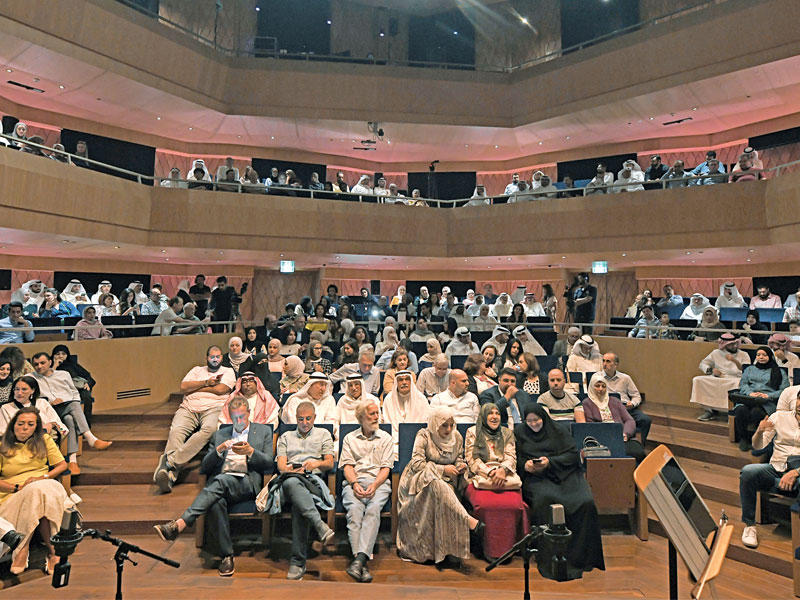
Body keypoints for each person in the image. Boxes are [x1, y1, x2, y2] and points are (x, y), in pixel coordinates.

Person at [154, 396, 273, 576]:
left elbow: (269, 462)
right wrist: (219, 450)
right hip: (221, 484)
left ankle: (181, 523)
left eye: (242, 417)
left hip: (247, 482)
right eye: (235, 418)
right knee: (216, 502)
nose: (239, 421)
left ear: (249, 413)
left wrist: (251, 452)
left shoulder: (263, 431)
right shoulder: (220, 435)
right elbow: (205, 467)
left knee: (220, 481)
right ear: (230, 416)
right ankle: (227, 556)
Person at [515, 404, 605, 579]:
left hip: (565, 474)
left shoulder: (558, 430)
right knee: (545, 501)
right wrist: (525, 465)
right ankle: (550, 558)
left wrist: (550, 462)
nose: (533, 424)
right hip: (537, 478)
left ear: (544, 418)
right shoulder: (519, 432)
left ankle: (582, 557)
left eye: (536, 420)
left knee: (585, 502)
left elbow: (571, 455)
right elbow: (515, 457)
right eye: (529, 421)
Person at [396, 406, 482, 565]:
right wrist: (442, 469)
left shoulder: (456, 437)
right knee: (436, 483)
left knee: (441, 486)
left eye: (451, 425)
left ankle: (447, 550)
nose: (448, 429)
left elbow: (459, 458)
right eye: (444, 425)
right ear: (435, 424)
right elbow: (417, 464)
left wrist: (461, 466)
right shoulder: (424, 435)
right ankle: (466, 520)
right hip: (418, 481)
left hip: (447, 480)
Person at [262, 401, 335, 579]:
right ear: (296, 418)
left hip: (312, 481)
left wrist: (315, 464)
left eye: (308, 419)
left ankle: (297, 563)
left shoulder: (324, 434)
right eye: (301, 419)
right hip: (288, 481)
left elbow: (329, 463)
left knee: (298, 501)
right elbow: (281, 466)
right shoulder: (286, 437)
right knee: (293, 483)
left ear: (314, 417)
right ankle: (319, 525)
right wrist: (290, 469)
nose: (304, 423)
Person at [0, 407, 73, 575]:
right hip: (13, 494)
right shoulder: (2, 444)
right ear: (13, 425)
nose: (24, 428)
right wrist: (18, 488)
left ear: (36, 427)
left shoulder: (44, 440)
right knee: (37, 493)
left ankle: (22, 549)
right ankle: (53, 552)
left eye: (30, 424)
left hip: (44, 485)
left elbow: (62, 465)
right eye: (20, 424)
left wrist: (43, 477)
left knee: (40, 490)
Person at [153, 346, 236, 493]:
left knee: (210, 429)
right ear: (206, 358)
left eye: (217, 357)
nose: (215, 359)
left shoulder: (228, 371)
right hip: (188, 408)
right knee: (176, 431)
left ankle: (169, 461)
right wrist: (206, 382)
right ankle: (170, 476)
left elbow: (221, 390)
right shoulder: (196, 370)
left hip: (213, 408)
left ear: (222, 358)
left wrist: (196, 387)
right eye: (212, 357)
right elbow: (184, 387)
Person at [464, 403, 528, 560]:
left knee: (514, 505)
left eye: (497, 413)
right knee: (485, 505)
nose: (494, 417)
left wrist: (502, 470)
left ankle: (508, 548)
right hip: (481, 477)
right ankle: (486, 549)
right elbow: (472, 459)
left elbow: (511, 456)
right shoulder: (473, 431)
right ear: (483, 416)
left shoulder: (507, 433)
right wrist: (490, 472)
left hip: (505, 477)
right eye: (490, 413)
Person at [339, 398, 394, 582]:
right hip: (354, 481)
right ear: (361, 417)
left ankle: (358, 560)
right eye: (372, 414)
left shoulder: (386, 438)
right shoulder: (350, 438)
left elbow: (386, 468)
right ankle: (360, 563)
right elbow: (347, 466)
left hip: (379, 482)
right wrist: (354, 484)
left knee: (373, 510)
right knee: (354, 511)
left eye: (377, 413)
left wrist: (375, 485)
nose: (376, 417)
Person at [31, 351, 111, 471]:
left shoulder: (63, 374)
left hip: (66, 406)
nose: (39, 366)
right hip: (49, 411)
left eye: (42, 363)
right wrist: (50, 402)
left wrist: (65, 400)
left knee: (70, 418)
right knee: (73, 405)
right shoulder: (31, 378)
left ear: (50, 362)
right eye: (36, 364)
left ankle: (73, 461)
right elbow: (32, 398)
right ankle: (90, 437)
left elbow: (74, 392)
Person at [739, 394, 800, 549]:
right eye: (799, 399)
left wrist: (795, 472)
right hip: (775, 468)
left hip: (798, 471)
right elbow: (757, 446)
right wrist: (759, 431)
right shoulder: (779, 417)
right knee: (748, 472)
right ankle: (750, 526)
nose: (799, 404)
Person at [731, 347, 789, 451]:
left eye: (764, 355)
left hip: (766, 401)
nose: (761, 357)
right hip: (749, 398)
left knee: (756, 412)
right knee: (740, 410)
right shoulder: (749, 369)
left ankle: (759, 440)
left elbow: (784, 390)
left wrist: (769, 395)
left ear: (770, 357)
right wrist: (750, 393)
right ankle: (744, 439)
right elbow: (743, 384)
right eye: (758, 355)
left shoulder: (779, 371)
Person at [582, 374, 645, 463]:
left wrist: (625, 434)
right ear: (592, 387)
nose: (601, 389)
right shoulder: (587, 403)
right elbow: (590, 425)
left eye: (603, 386)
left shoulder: (615, 401)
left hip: (621, 437)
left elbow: (629, 420)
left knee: (638, 452)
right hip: (602, 440)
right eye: (597, 386)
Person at [691, 333, 751, 421]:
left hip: (736, 378)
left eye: (735, 343)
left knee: (737, 384)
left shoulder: (744, 354)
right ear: (724, 345)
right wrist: (711, 370)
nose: (734, 346)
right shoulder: (716, 353)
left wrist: (734, 360)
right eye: (731, 344)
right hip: (719, 377)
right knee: (697, 380)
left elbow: (747, 370)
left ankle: (732, 412)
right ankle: (709, 411)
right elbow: (703, 364)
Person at [601, 353, 651, 443]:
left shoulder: (625, 378)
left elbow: (636, 396)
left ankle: (640, 445)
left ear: (616, 364)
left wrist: (632, 403)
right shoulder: (597, 377)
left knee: (645, 420)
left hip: (625, 408)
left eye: (608, 361)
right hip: (607, 409)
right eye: (603, 361)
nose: (604, 364)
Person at [0, 376, 66, 442]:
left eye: (24, 389)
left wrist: (51, 424)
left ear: (32, 390)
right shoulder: (5, 408)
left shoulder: (42, 403)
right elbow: (3, 433)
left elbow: (61, 426)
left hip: (48, 441)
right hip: (20, 444)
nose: (19, 393)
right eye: (17, 389)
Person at [51, 345, 96, 425]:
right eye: (57, 354)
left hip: (76, 388)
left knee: (87, 396)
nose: (60, 356)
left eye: (63, 354)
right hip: (59, 390)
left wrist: (87, 384)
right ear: (53, 356)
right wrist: (55, 365)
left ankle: (86, 423)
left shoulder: (72, 364)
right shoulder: (50, 366)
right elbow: (48, 379)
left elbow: (88, 376)